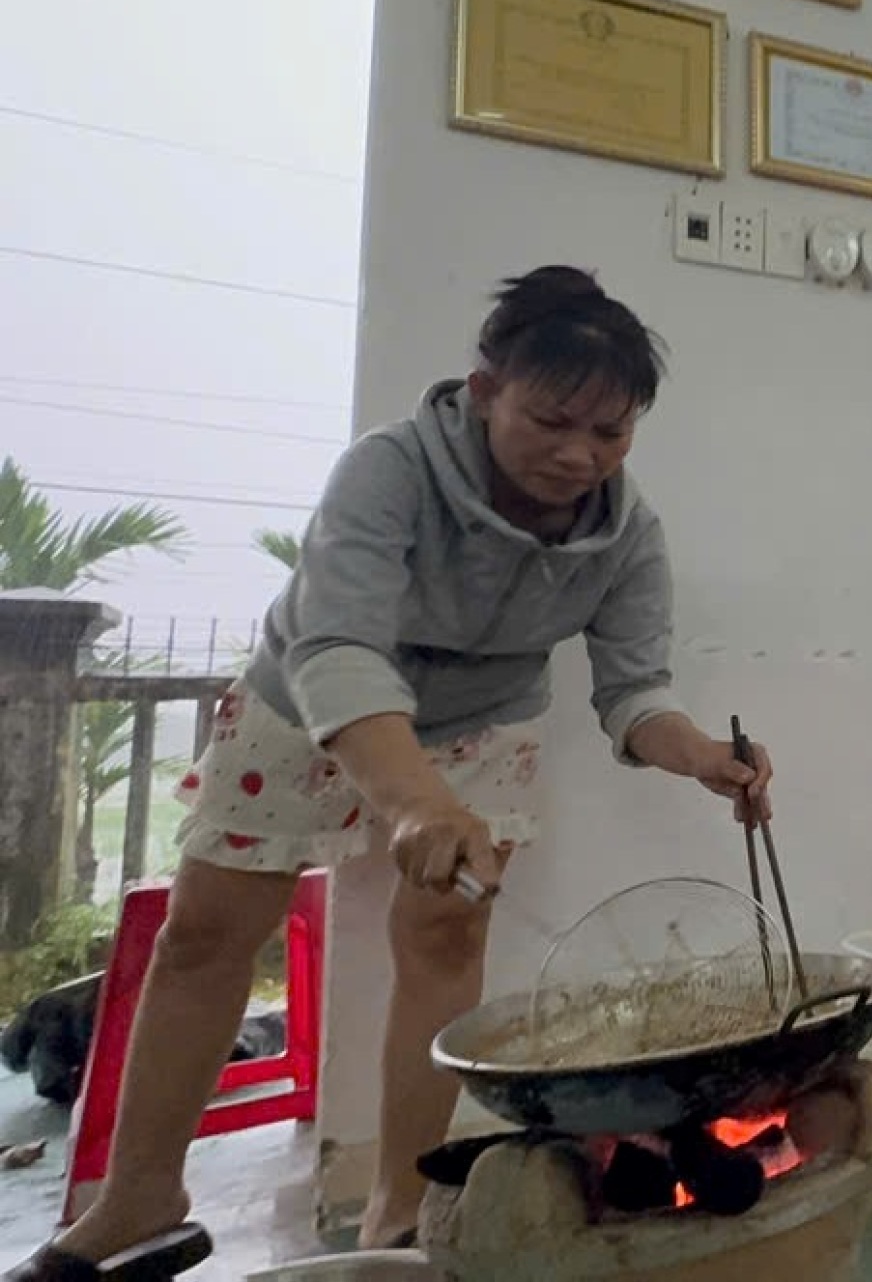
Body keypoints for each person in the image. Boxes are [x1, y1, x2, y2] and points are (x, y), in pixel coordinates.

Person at [10, 266, 775, 1280]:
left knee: (447, 939)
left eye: (611, 432)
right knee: (205, 938)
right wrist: (411, 794)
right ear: (485, 387)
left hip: (485, 724)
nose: (580, 454)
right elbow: (337, 647)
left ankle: (400, 1204)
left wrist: (705, 759)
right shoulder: (390, 470)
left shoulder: (624, 534)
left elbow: (634, 692)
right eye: (553, 420)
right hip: (315, 704)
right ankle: (141, 1194)